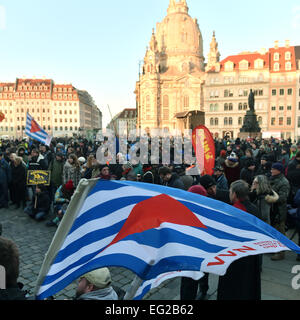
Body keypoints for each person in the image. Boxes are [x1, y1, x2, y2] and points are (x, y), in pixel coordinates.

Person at [217, 180, 261, 300]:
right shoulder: (254, 208)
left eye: (230, 192)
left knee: (234, 287)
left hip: (235, 257)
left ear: (235, 194)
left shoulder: (234, 211)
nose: (229, 194)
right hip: (251, 254)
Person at [180, 184, 209, 301]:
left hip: (191, 255)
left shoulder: (188, 211)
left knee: (188, 283)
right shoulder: (208, 211)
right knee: (204, 272)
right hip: (203, 252)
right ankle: (203, 290)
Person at [269, 162, 290, 261]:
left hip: (279, 211)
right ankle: (273, 248)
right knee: (273, 231)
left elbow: (283, 197)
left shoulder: (284, 182)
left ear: (279, 171)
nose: (271, 170)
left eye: (273, 169)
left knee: (280, 232)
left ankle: (281, 253)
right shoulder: (272, 178)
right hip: (272, 210)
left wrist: (272, 198)